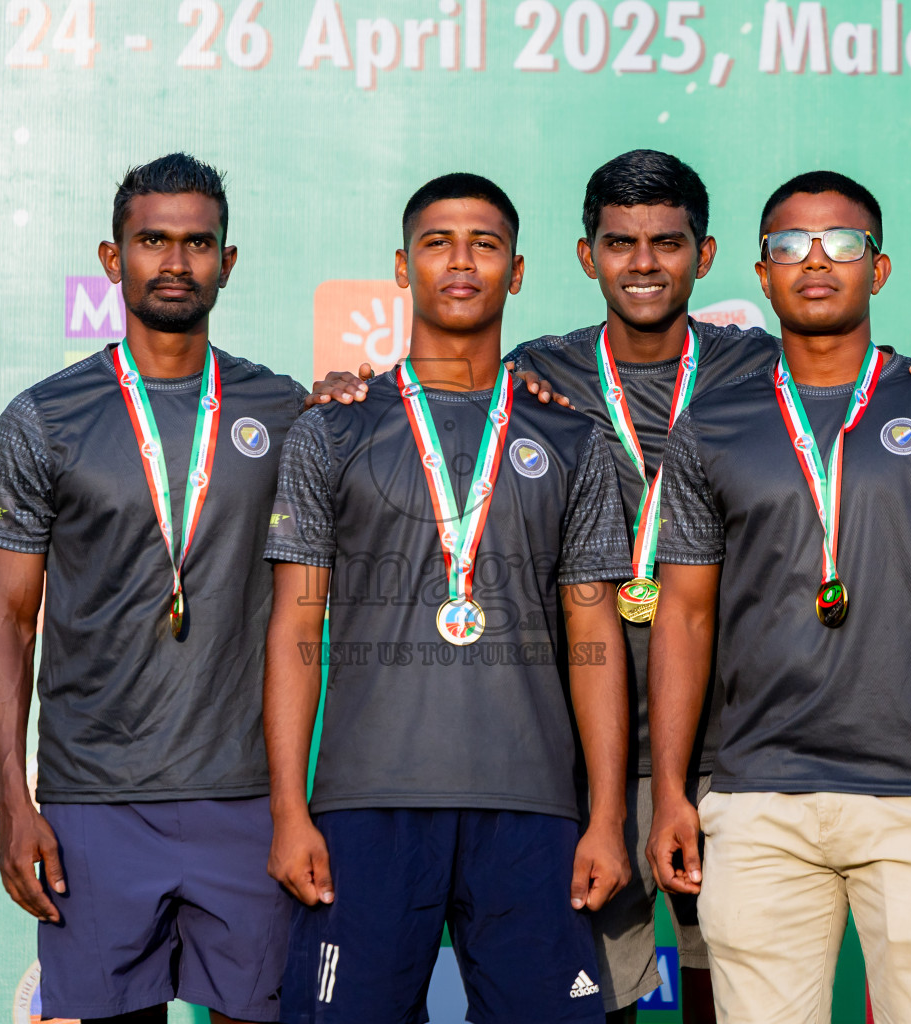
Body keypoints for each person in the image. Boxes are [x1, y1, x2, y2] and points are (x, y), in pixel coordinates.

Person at [310, 149, 911, 1023]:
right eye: (621, 243)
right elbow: (429, 393)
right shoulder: (530, 378)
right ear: (587, 256)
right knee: (602, 993)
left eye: (667, 243)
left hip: (732, 753)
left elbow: (848, 372)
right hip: (584, 762)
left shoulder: (753, 368)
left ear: (703, 258)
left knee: (733, 986)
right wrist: (346, 387)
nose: (643, 263)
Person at [646, 170, 911, 1024]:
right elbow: (684, 614)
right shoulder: (712, 424)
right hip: (755, 801)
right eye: (790, 245)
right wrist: (672, 790)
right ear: (761, 272)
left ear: (880, 268)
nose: (815, 261)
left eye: (842, 244)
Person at [264, 173, 634, 1024]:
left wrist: (606, 815)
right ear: (402, 267)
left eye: (485, 244)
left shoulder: (572, 436)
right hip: (366, 805)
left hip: (532, 808)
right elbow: (296, 624)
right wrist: (290, 808)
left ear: (519, 271)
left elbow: (595, 629)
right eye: (438, 243)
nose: (461, 262)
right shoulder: (334, 427)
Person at [0, 153, 305, 1024]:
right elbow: (8, 620)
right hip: (95, 801)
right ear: (112, 257)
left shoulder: (284, 411)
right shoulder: (45, 418)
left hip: (247, 798)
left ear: (227, 263)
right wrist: (15, 802)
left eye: (199, 243)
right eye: (152, 240)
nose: (176, 261)